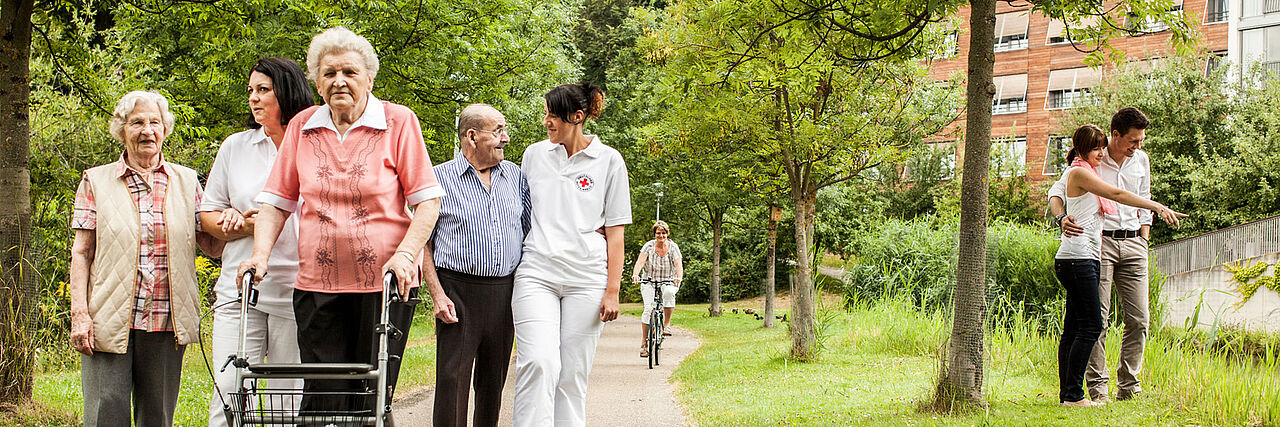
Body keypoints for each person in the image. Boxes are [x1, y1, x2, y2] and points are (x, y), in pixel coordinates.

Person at [236, 27, 443, 419]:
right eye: (329, 74)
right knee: (321, 398)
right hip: (317, 286)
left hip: (384, 285)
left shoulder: (398, 122)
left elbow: (427, 201)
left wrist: (404, 255)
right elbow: (277, 203)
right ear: (317, 81)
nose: (339, 81)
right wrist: (259, 256)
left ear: (369, 77)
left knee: (371, 396)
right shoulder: (302, 126)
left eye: (349, 72)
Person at [69, 90, 224, 426]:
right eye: (137, 122)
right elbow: (81, 252)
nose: (147, 130)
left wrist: (250, 228)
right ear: (122, 130)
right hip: (108, 318)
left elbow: (211, 245)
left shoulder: (186, 181)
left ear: (165, 129)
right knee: (105, 412)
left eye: (155, 122)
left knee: (157, 415)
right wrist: (79, 314)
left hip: (167, 319)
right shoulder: (96, 181)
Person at [199, 57, 314, 427]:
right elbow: (207, 216)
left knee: (285, 401)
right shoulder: (236, 146)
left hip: (295, 290)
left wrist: (263, 220)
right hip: (239, 288)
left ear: (287, 91)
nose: (253, 98)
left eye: (263, 90)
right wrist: (238, 225)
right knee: (229, 393)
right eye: (251, 91)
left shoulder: (314, 146)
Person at [511, 82, 631, 427]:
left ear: (577, 117)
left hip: (587, 279)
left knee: (572, 374)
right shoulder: (534, 155)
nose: (546, 121)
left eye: (553, 115)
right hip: (537, 273)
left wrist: (613, 290)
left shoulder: (609, 161)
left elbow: (616, 231)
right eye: (546, 113)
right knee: (538, 362)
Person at [1049, 124, 1183, 407]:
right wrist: (1157, 206)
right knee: (1093, 324)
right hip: (1083, 254)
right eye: (1132, 140)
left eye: (1141, 141)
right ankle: (1083, 393)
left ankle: (1072, 394)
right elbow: (1116, 195)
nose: (1137, 145)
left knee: (1076, 328)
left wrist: (1144, 236)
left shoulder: (1094, 167)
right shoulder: (1083, 170)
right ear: (1115, 134)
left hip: (1101, 250)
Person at [423, 103, 530, 427]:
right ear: (472, 136)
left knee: (492, 383)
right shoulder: (437, 179)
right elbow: (422, 244)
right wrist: (437, 295)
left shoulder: (515, 176)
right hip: (457, 291)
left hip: (503, 291)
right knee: (451, 380)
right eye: (498, 131)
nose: (506, 138)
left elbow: (527, 229)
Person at [630, 220, 683, 357]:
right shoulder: (648, 246)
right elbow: (640, 262)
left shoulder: (673, 247)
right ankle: (644, 343)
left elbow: (678, 266)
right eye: (658, 233)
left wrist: (678, 277)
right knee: (648, 309)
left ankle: (666, 324)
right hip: (649, 281)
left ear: (667, 234)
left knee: (669, 293)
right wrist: (635, 274)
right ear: (654, 234)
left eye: (664, 233)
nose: (661, 236)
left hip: (668, 280)